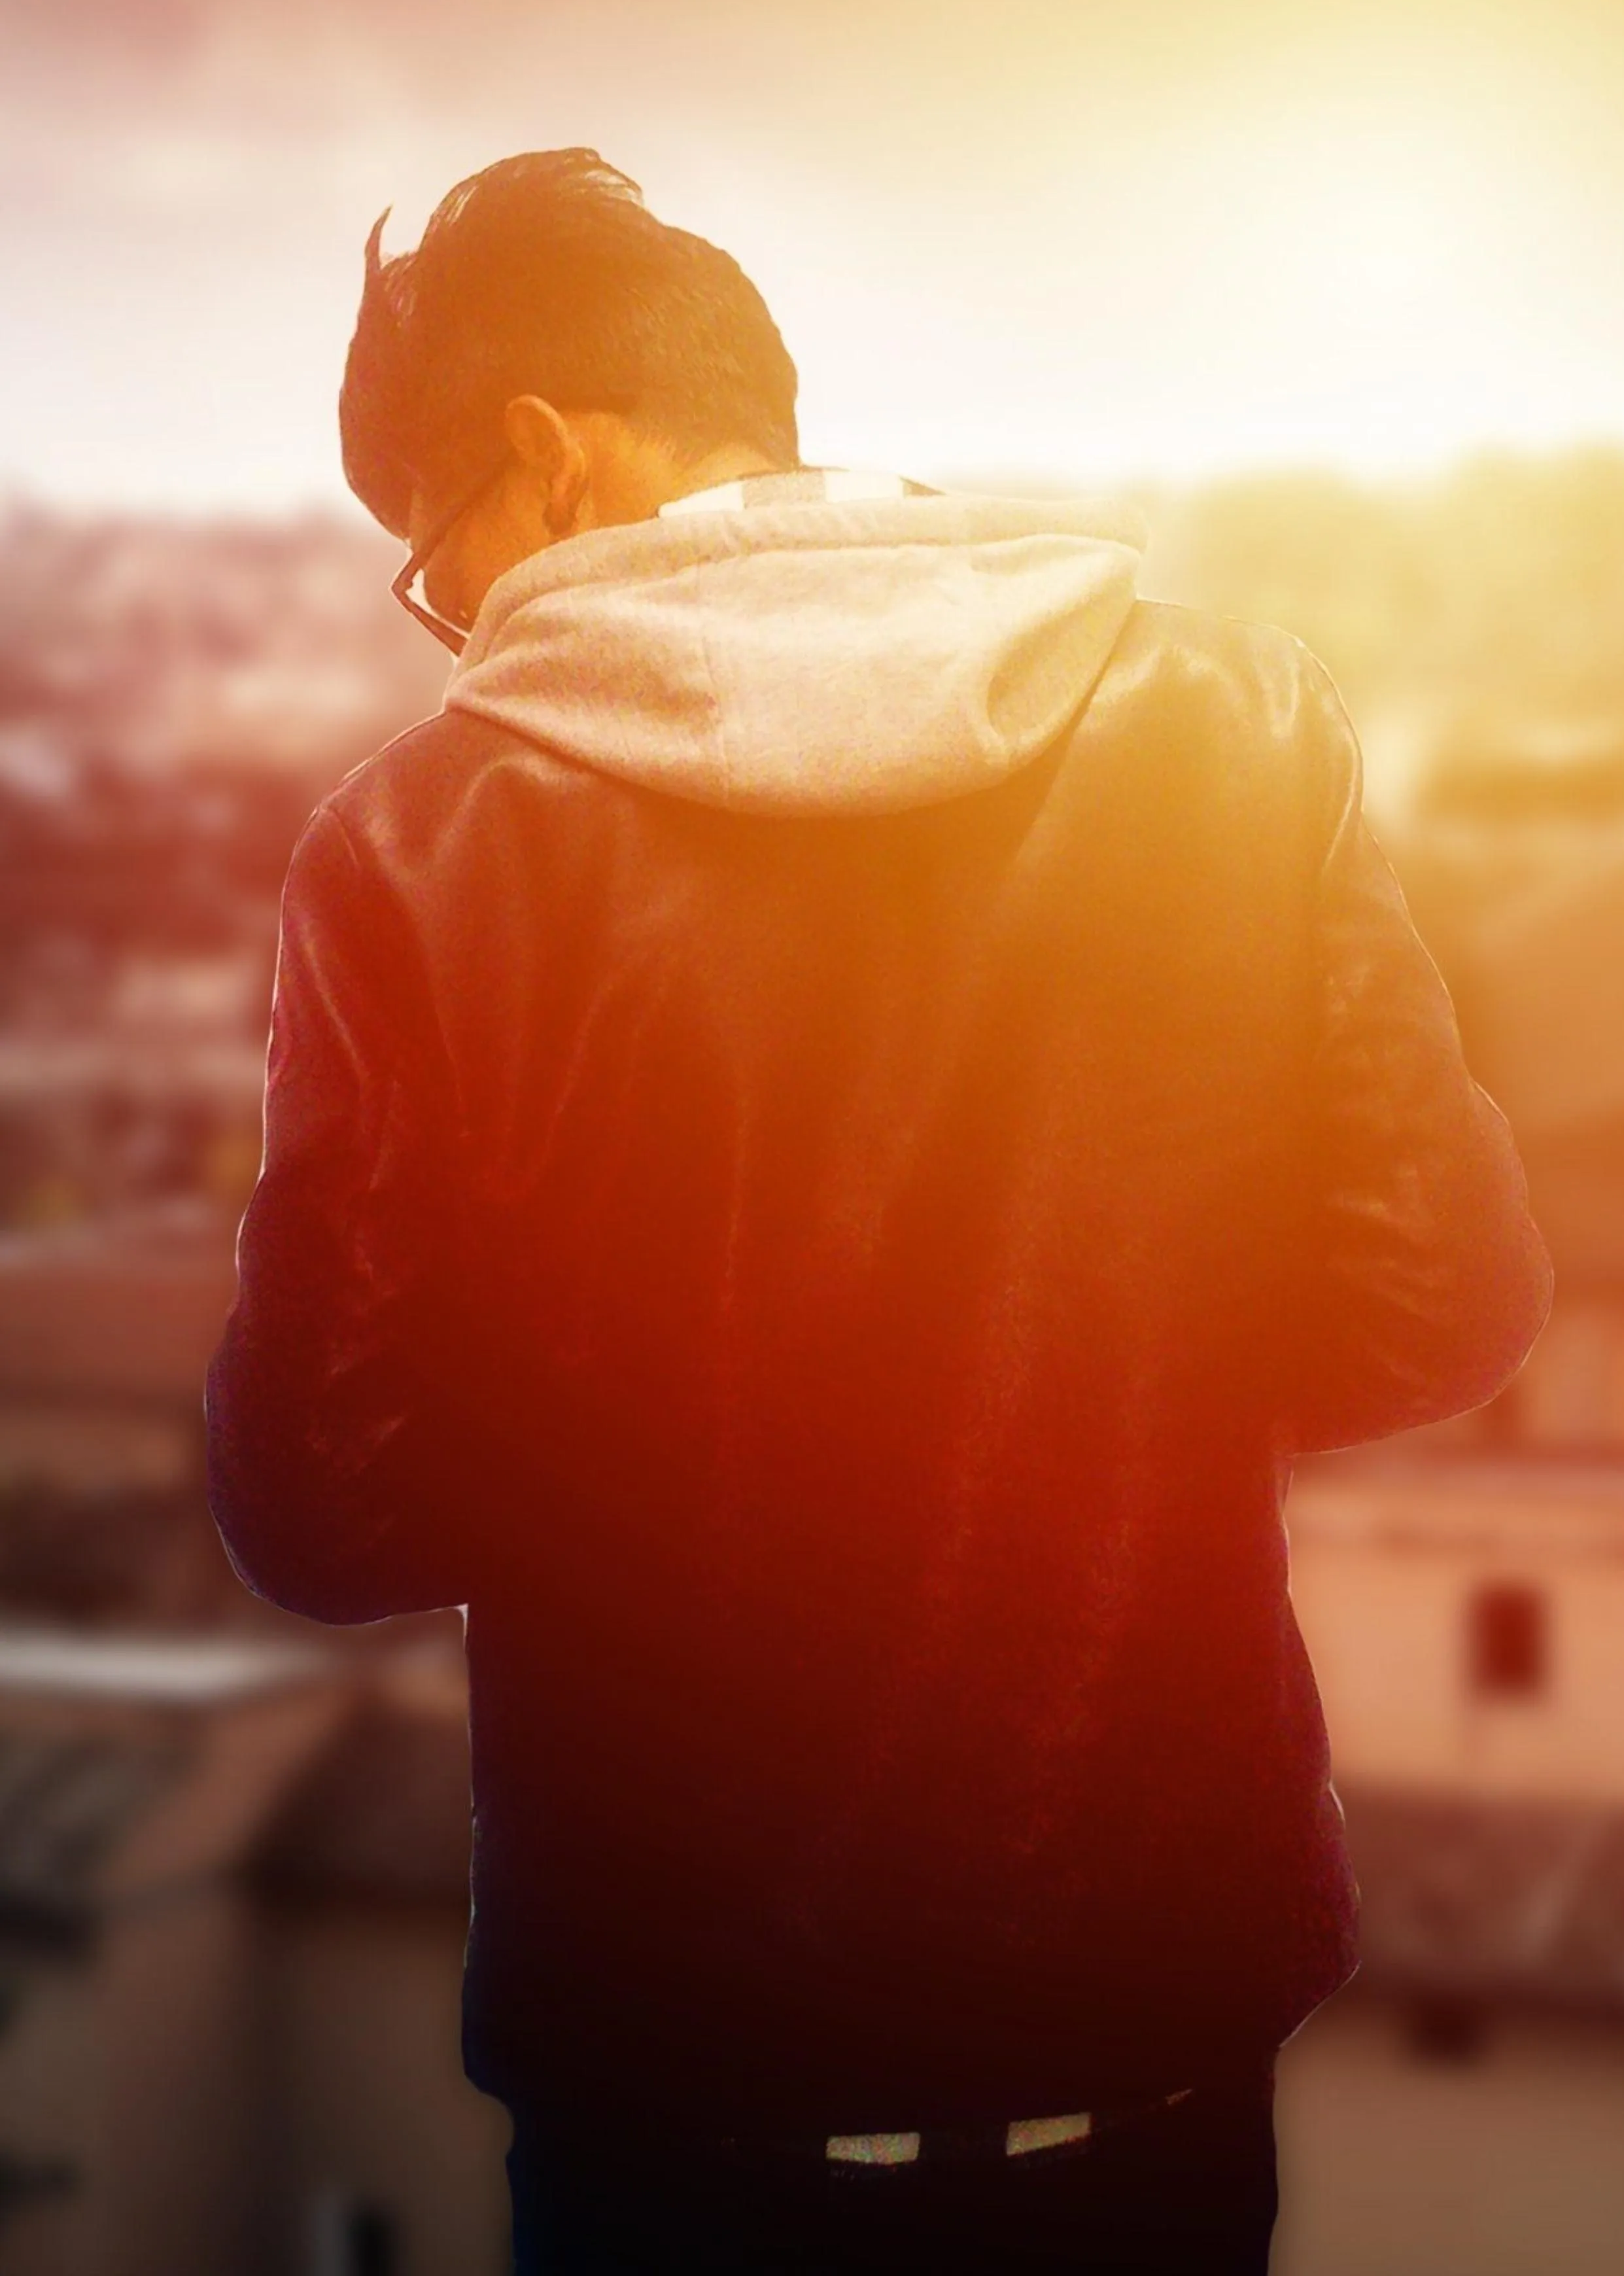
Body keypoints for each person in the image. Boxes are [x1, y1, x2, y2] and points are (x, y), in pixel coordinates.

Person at [206, 149, 1551, 2273]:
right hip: (1139, 2048)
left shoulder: (421, 850)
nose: (451, 630)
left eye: (435, 565)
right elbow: (1438, 1309)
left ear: (551, 457)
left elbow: (327, 1505)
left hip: (678, 2088)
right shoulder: (1227, 718)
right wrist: (1111, 1376)